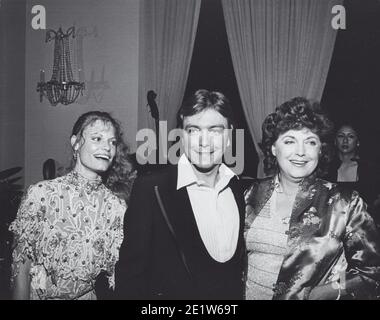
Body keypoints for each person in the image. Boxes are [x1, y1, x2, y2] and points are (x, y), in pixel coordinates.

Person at [244, 97, 380, 300]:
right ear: (273, 148)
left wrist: (330, 290)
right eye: (289, 141)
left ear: (320, 149)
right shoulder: (251, 194)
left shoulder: (345, 203)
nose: (300, 151)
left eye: (310, 142)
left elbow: (370, 271)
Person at [115, 89, 246, 299]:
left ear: (229, 136)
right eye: (193, 130)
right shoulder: (151, 189)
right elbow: (130, 279)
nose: (204, 142)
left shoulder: (238, 189)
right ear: (181, 137)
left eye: (215, 130)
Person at [9, 111, 134, 300]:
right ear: (76, 142)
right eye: (97, 138)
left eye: (112, 142)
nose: (107, 147)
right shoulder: (41, 194)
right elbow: (21, 267)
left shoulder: (116, 207)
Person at [326, 123, 380, 221]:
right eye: (341, 136)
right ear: (335, 141)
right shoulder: (325, 169)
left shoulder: (370, 169)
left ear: (358, 142)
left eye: (350, 136)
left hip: (362, 226)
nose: (345, 140)